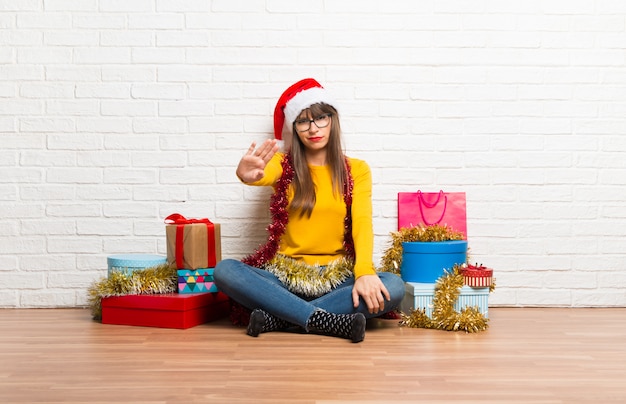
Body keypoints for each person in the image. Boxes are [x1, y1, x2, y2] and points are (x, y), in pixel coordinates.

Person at [213, 78, 405, 343]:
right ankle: (326, 321)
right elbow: (260, 174)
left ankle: (278, 319)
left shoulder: (358, 169)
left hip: (338, 280)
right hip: (285, 279)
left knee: (393, 286)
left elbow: (362, 222)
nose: (313, 128)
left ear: (333, 119)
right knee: (225, 270)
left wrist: (363, 273)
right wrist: (246, 174)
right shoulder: (282, 164)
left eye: (321, 118)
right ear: (294, 127)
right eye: (303, 121)